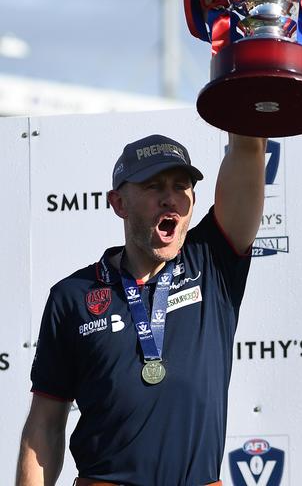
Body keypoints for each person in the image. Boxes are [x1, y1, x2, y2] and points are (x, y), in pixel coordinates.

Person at [16, 133, 266, 486]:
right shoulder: (72, 297)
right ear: (119, 203)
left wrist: (251, 98)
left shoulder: (212, 262)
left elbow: (248, 148)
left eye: (181, 186)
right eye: (153, 187)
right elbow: (45, 425)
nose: (170, 199)